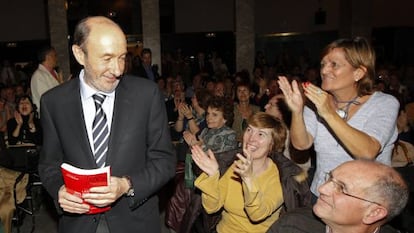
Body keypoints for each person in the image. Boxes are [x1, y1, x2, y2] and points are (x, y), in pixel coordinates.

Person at [38, 16, 176, 233]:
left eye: (122, 58)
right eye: (107, 58)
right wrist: (59, 190)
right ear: (79, 54)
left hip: (135, 222)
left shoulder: (146, 95)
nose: (118, 69)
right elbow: (49, 165)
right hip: (79, 224)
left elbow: (165, 161)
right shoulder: (53, 102)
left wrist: (126, 185)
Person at [278, 37, 399, 198]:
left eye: (334, 64)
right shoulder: (316, 101)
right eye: (323, 64)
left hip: (365, 201)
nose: (324, 70)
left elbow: (367, 151)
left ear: (358, 73)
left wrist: (328, 113)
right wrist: (297, 112)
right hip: (323, 195)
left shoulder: (384, 103)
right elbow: (301, 144)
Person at [190, 112, 287, 233]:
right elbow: (211, 207)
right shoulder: (234, 167)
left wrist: (248, 179)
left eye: (261, 134)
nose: (251, 138)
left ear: (272, 144)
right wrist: (212, 176)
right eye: (249, 130)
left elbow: (257, 214)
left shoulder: (280, 177)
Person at [267, 159, 409, 233]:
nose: (322, 188)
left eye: (341, 188)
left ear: (374, 212)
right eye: (329, 178)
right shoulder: (293, 225)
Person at [30, 45, 62, 114]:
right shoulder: (38, 76)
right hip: (48, 114)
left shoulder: (54, 73)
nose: (56, 59)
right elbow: (47, 98)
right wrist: (62, 86)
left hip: (56, 112)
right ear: (48, 57)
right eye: (55, 55)